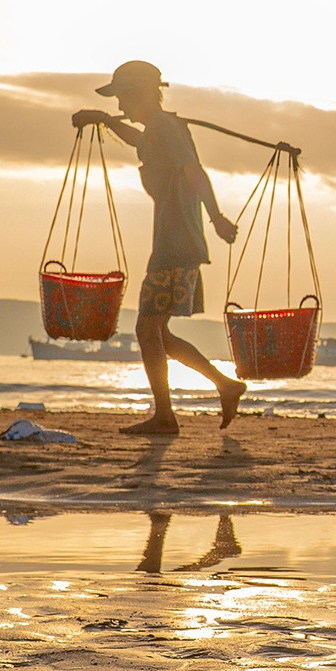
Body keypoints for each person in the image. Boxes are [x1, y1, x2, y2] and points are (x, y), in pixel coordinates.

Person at [72, 60, 245, 435]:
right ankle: (225, 386)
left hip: (176, 243)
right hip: (171, 242)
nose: (121, 107)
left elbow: (194, 170)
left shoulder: (166, 127)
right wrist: (104, 120)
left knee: (148, 330)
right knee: (158, 334)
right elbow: (140, 143)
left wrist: (216, 218)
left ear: (141, 95)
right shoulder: (158, 130)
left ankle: (166, 416)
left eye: (123, 100)